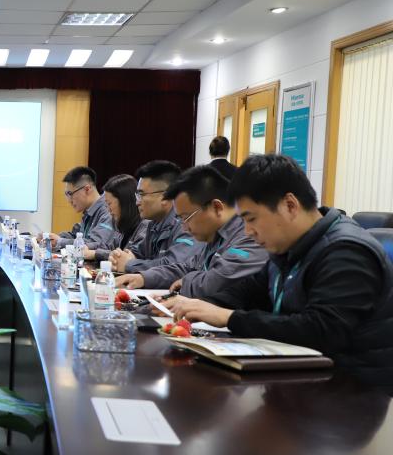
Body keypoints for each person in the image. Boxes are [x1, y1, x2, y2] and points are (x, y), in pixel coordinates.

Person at [165, 155, 393, 381]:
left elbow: (322, 330)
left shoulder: (346, 252)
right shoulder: (291, 246)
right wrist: (201, 306)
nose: (247, 231)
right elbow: (250, 290)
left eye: (251, 219)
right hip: (304, 375)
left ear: (289, 205)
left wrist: (230, 317)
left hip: (352, 388)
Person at [115, 165, 266, 306]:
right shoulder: (215, 235)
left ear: (216, 207)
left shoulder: (248, 234)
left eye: (186, 218)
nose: (184, 227)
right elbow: (188, 267)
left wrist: (186, 282)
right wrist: (144, 277)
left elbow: (217, 281)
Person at [111, 160, 199, 274]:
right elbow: (136, 253)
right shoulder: (153, 223)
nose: (137, 202)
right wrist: (118, 258)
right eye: (137, 195)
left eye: (142, 194)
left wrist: (129, 264)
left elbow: (174, 266)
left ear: (165, 197)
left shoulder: (185, 222)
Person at [84, 174, 148, 264]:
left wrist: (95, 254)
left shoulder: (145, 228)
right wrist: (88, 246)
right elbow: (109, 246)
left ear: (124, 202)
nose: (108, 209)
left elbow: (126, 257)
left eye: (109, 203)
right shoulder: (125, 226)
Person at [48, 166, 114, 250]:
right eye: (66, 194)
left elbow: (96, 244)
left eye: (70, 193)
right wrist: (52, 238)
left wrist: (60, 241)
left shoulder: (108, 210)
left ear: (87, 189)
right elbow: (78, 237)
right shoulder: (89, 210)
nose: (69, 200)